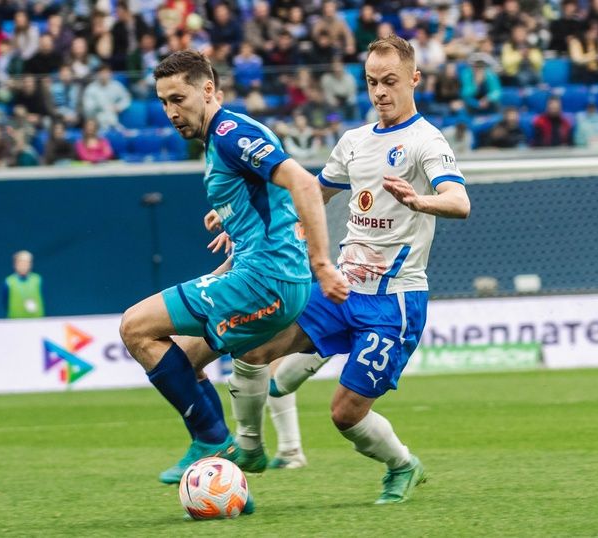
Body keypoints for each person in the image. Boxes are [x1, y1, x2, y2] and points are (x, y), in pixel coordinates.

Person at [223, 34, 470, 505]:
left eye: (390, 81)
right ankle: (249, 448)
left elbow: (460, 202)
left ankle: (403, 465)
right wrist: (247, 219)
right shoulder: (354, 141)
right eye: (372, 82)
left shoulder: (426, 141)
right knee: (253, 348)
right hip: (341, 287)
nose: (380, 91)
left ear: (414, 79)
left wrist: (420, 201)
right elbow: (311, 196)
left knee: (345, 415)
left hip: (394, 302)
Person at [118, 50, 348, 502]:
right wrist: (233, 220)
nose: (170, 112)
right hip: (265, 277)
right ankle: (232, 474)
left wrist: (322, 264)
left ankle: (213, 441)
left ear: (208, 91)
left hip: (266, 281)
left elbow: (303, 183)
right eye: (163, 102)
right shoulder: (221, 140)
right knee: (182, 362)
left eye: (178, 99)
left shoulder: (229, 133)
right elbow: (271, 206)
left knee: (135, 327)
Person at [82, 65, 132, 130]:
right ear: (97, 74)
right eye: (101, 73)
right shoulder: (91, 88)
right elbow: (87, 108)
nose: (104, 75)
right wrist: (101, 106)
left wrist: (118, 107)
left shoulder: (117, 86)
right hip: (97, 119)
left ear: (111, 74)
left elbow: (126, 99)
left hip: (113, 115)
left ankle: (117, 128)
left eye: (106, 73)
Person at [3, 250, 44, 319]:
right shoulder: (9, 281)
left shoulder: (37, 279)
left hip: (36, 319)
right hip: (15, 320)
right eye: (21, 262)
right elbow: (5, 302)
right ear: (15, 264)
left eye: (27, 263)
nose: (24, 266)